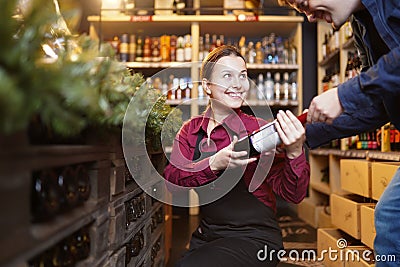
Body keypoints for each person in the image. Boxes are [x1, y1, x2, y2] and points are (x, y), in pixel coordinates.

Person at [163, 45, 310, 267]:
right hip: (208, 237)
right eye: (227, 76)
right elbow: (172, 181)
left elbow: (293, 194)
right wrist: (214, 164)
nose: (238, 84)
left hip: (255, 238)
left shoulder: (260, 131)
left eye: (243, 76)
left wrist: (295, 151)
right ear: (207, 86)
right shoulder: (190, 131)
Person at [279, 0, 400, 265]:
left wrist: (345, 95)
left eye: (305, 4)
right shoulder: (361, 24)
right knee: (390, 219)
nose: (309, 18)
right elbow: (378, 106)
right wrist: (305, 131)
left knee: (391, 218)